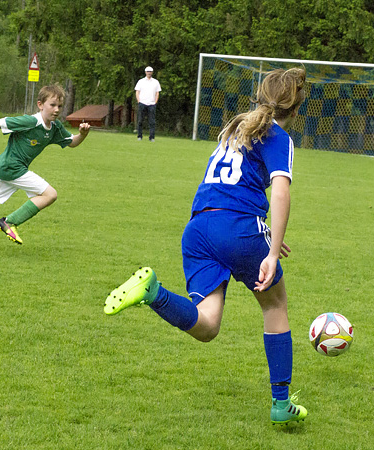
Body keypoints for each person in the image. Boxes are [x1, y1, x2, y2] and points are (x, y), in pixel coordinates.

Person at [104, 68, 308, 426]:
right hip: (239, 227)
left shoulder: (235, 128)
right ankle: (280, 403)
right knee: (275, 306)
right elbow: (280, 190)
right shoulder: (277, 136)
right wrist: (270, 252)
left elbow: (232, 185)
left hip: (199, 227)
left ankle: (154, 293)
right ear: (295, 109)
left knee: (208, 325)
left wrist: (266, 233)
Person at [0, 84, 92, 249]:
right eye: (52, 105)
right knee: (50, 194)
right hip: (12, 167)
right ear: (40, 105)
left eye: (60, 106)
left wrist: (82, 135)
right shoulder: (31, 121)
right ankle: (9, 222)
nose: (56, 109)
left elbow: (72, 143)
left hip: (4, 168)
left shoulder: (55, 128)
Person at [134, 66, 161, 142]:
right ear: (145, 72)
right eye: (147, 71)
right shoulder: (141, 81)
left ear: (152, 72)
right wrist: (139, 101)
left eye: (150, 71)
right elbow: (137, 92)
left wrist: (155, 102)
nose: (149, 73)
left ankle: (152, 137)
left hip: (152, 104)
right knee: (140, 121)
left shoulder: (155, 82)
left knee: (152, 121)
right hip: (142, 103)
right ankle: (139, 136)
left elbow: (157, 93)